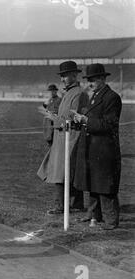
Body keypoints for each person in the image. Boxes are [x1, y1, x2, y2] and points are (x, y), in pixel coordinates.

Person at [71, 63, 122, 230]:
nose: (89, 84)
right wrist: (78, 121)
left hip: (104, 149)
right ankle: (93, 215)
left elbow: (109, 124)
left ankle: (110, 221)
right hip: (91, 147)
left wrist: (86, 121)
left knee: (105, 187)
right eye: (88, 80)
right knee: (92, 182)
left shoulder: (112, 97)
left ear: (102, 79)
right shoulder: (93, 96)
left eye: (92, 80)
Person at [37, 61, 88, 215]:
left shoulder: (79, 93)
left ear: (74, 75)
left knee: (62, 172)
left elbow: (72, 119)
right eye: (61, 76)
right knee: (63, 171)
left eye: (65, 76)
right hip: (62, 138)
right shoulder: (68, 93)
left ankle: (63, 205)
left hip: (71, 138)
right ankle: (73, 204)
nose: (62, 79)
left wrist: (51, 117)